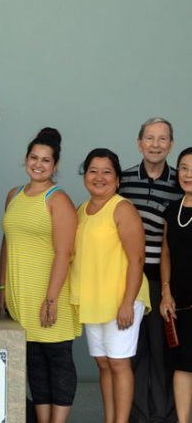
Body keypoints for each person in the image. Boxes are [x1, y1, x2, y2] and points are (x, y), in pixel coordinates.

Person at [0, 128, 81, 423]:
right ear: (26, 159)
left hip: (50, 294)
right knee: (33, 361)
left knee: (58, 360)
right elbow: (7, 243)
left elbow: (64, 252)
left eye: (46, 160)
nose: (38, 164)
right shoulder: (14, 195)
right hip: (21, 295)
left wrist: (51, 299)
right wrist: (2, 287)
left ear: (55, 165)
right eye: (34, 157)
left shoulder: (58, 200)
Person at [71, 148, 151, 423]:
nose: (99, 177)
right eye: (93, 171)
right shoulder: (82, 210)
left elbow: (137, 259)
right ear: (85, 176)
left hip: (121, 299)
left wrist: (128, 302)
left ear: (117, 179)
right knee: (103, 363)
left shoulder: (122, 208)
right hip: (94, 300)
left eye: (107, 172)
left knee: (118, 362)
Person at [119, 117, 180, 423]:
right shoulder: (123, 180)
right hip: (128, 278)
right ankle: (138, 415)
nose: (155, 144)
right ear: (139, 142)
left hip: (162, 280)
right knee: (132, 350)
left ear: (171, 144)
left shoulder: (181, 181)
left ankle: (164, 416)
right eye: (150, 138)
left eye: (162, 138)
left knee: (163, 350)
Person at [160, 147, 192, 423]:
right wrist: (166, 292)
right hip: (179, 303)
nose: (188, 174)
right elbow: (166, 252)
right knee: (182, 365)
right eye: (184, 167)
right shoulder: (173, 209)